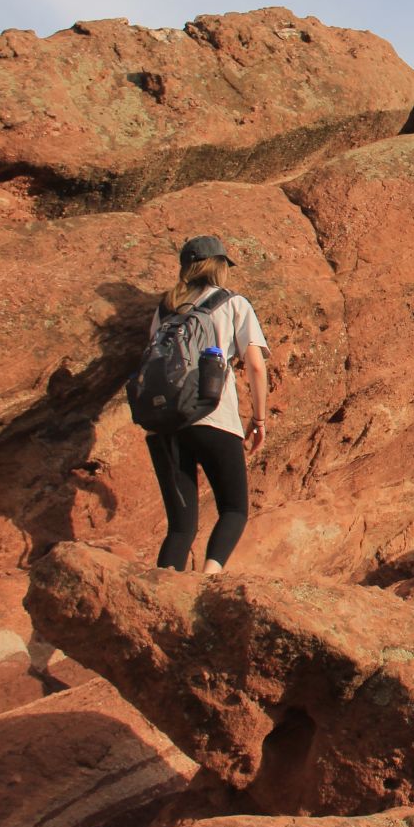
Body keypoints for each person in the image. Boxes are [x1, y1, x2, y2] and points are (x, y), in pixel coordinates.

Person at [146, 235, 269, 573]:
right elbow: (256, 366)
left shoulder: (165, 308)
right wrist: (258, 420)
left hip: (165, 422)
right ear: (219, 267)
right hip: (215, 416)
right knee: (233, 510)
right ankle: (209, 581)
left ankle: (162, 592)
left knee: (181, 527)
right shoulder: (233, 303)